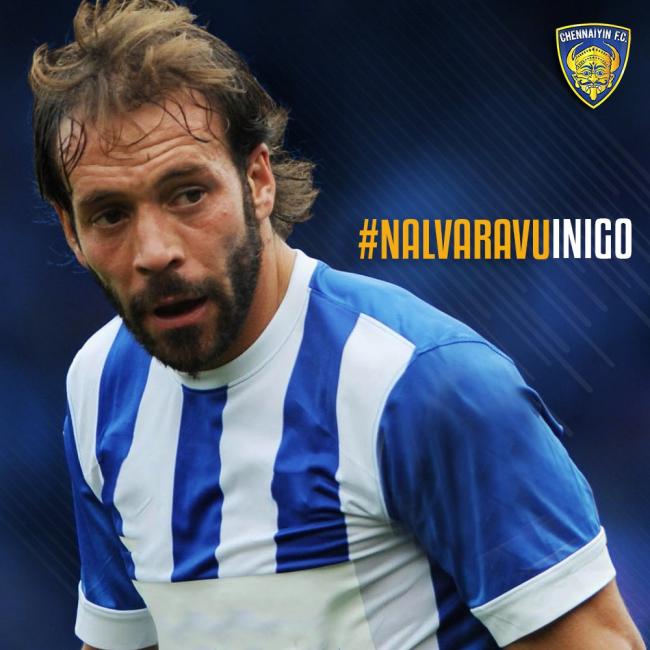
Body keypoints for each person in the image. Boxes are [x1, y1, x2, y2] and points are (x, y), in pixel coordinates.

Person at [29, 1, 644, 649]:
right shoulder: (97, 388)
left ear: (257, 181)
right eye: (110, 214)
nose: (154, 251)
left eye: (188, 194)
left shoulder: (426, 385)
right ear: (72, 232)